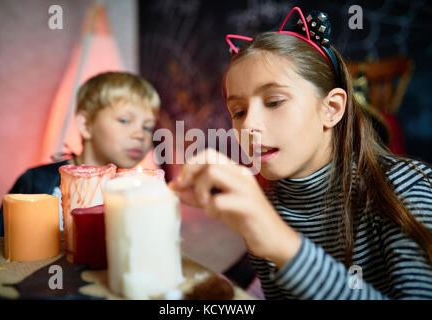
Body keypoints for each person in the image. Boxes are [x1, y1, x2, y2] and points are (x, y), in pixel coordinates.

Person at [171, 8, 432, 299]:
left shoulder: (406, 188)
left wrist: (281, 242)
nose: (249, 125)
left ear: (331, 109)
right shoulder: (269, 203)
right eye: (239, 111)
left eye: (274, 101)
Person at [0, 71, 160, 238]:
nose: (140, 134)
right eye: (124, 120)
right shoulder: (37, 182)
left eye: (147, 127)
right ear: (86, 124)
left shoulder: (138, 190)